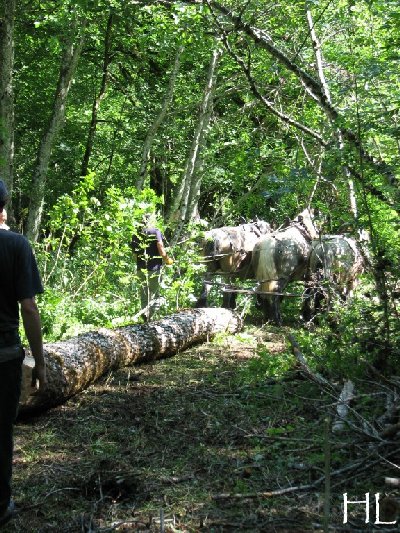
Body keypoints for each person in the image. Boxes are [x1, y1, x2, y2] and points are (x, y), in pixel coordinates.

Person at [0, 180, 47, 528]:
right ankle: (0, 505)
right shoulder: (16, 245)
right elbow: (28, 308)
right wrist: (40, 363)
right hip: (3, 356)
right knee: (1, 432)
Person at [130, 215, 173, 321]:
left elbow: (134, 255)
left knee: (144, 296)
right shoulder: (155, 231)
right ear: (151, 221)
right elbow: (160, 247)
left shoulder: (136, 234)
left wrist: (140, 265)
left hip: (141, 269)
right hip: (154, 269)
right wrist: (167, 260)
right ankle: (151, 317)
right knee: (156, 296)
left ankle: (145, 317)